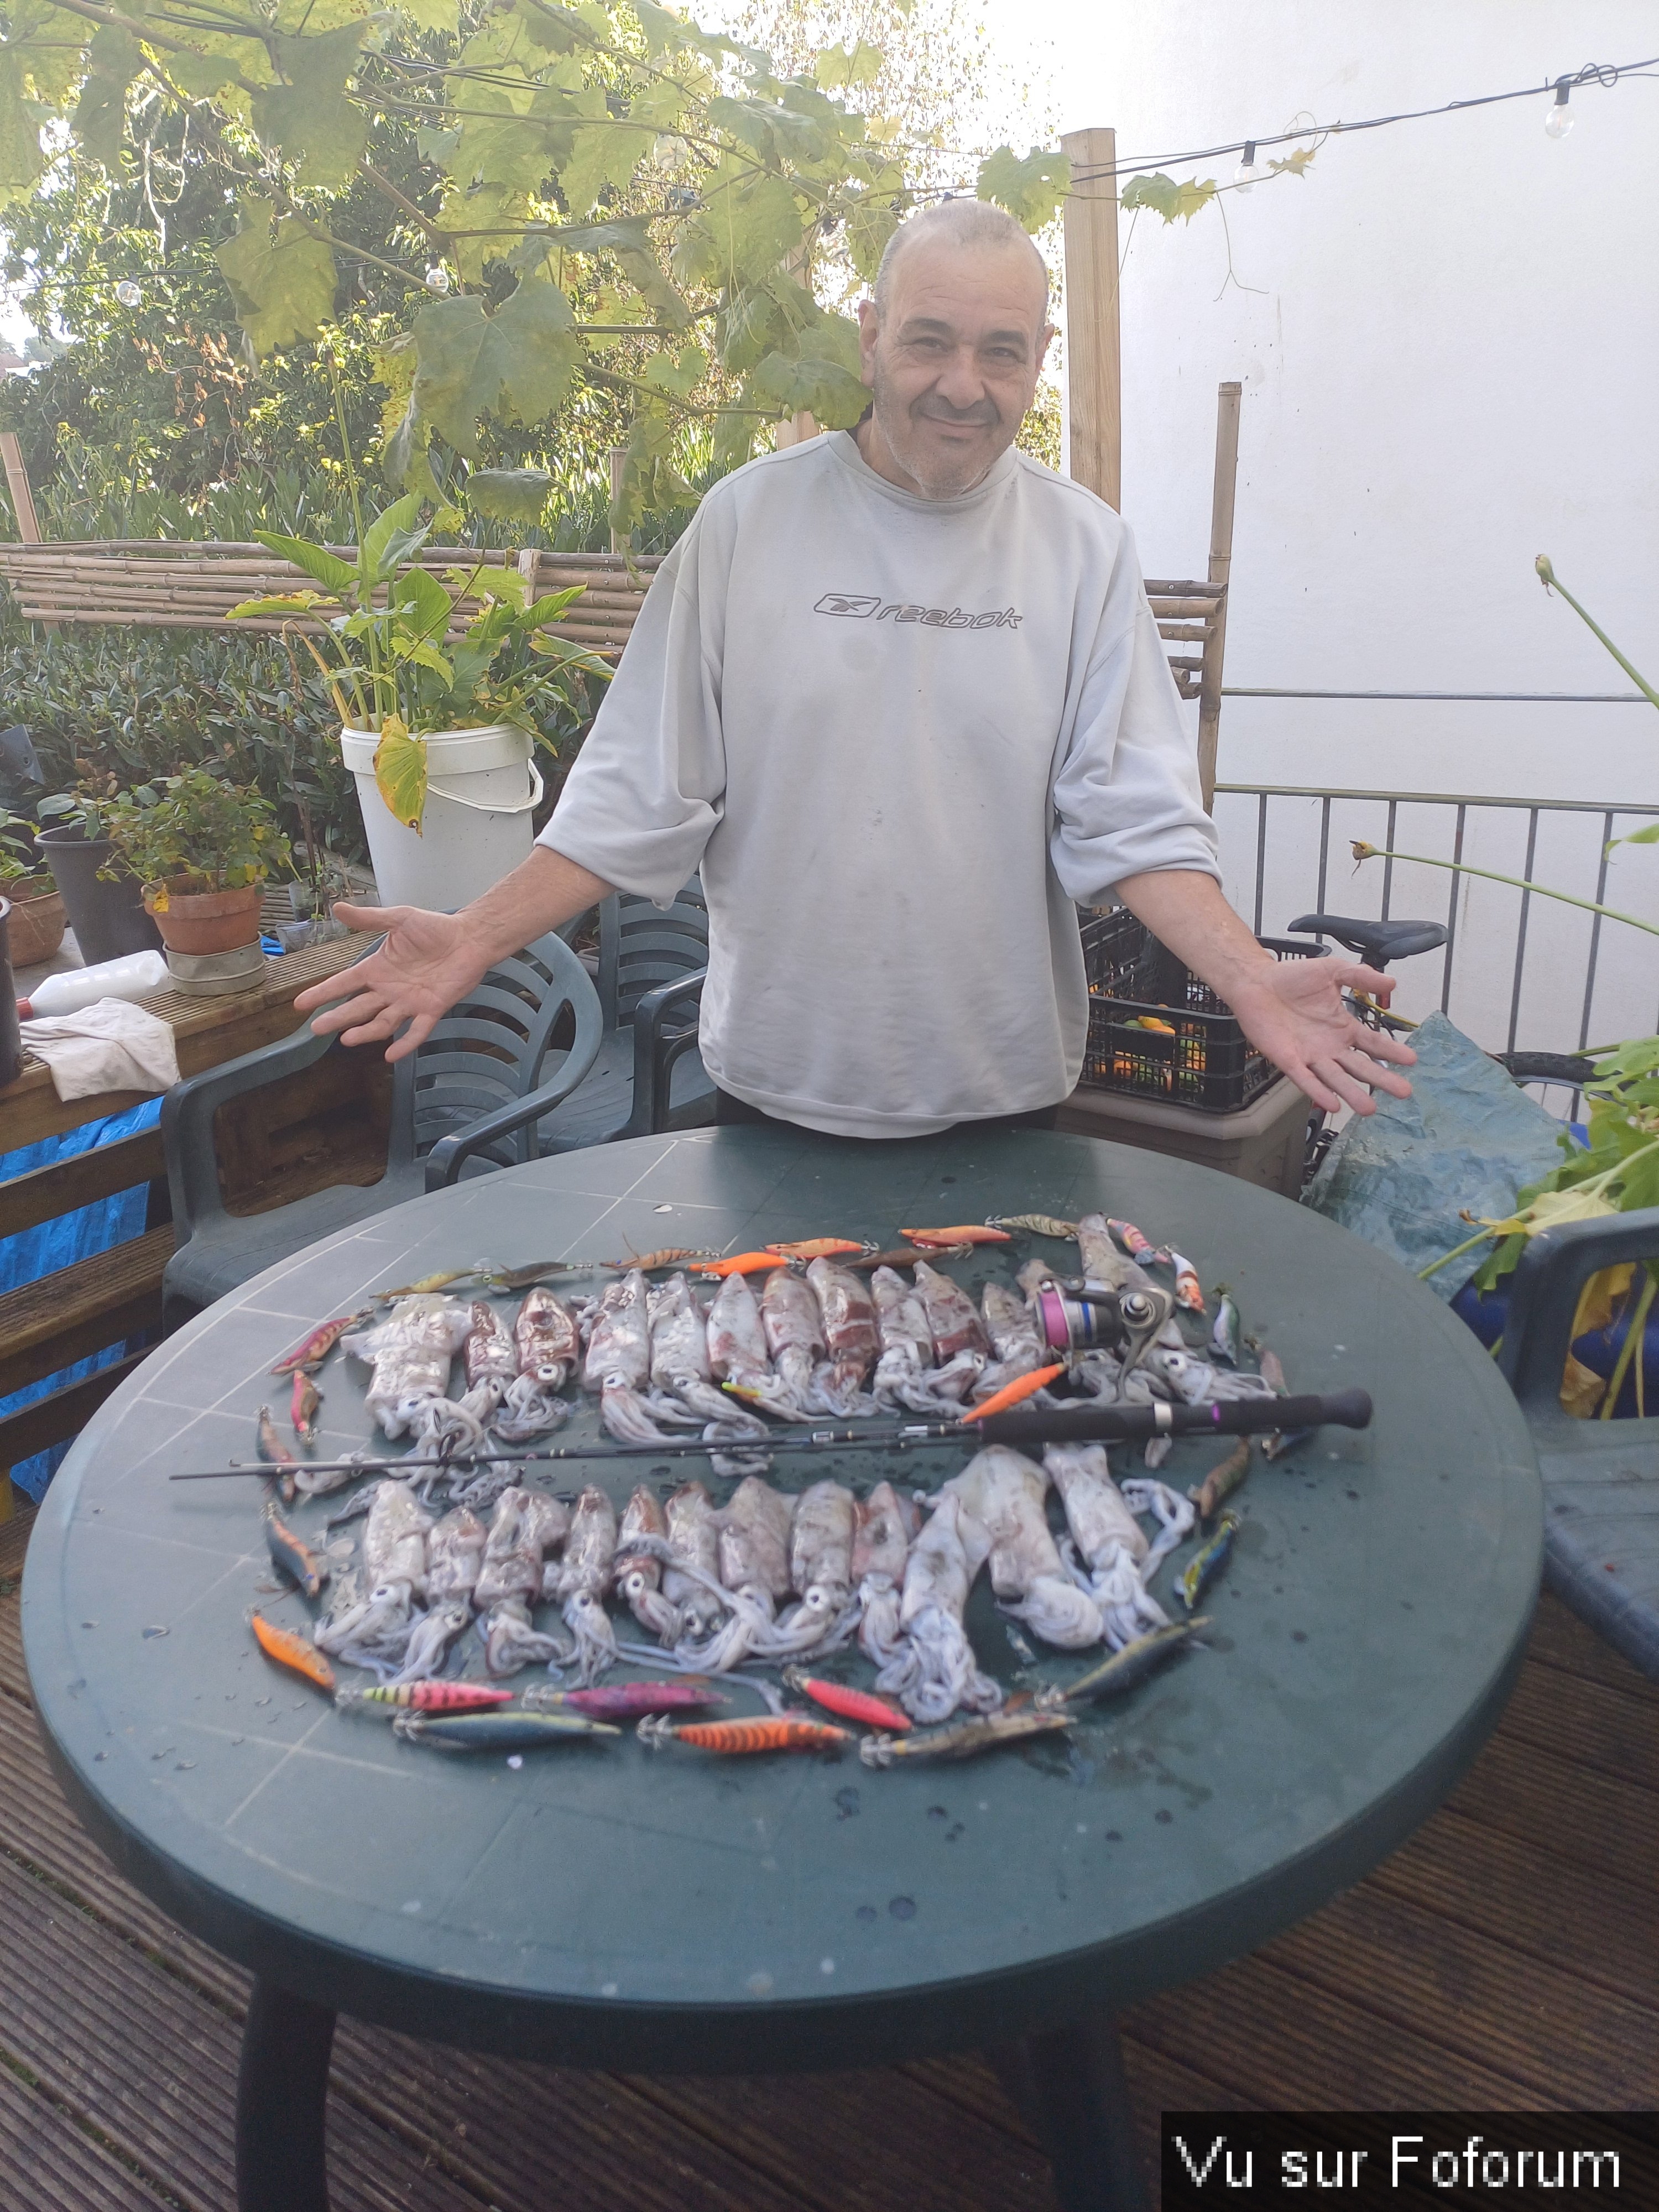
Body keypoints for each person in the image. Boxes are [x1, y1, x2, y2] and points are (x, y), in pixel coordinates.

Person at [298, 200, 1412, 1136]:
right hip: (779, 1091)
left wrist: (1251, 976)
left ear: (1037, 361)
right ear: (871, 335)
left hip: (1005, 1097)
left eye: (1000, 351)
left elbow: (1137, 821)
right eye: (930, 340)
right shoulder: (748, 523)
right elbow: (638, 793)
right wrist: (477, 934)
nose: (962, 384)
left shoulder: (1083, 550)